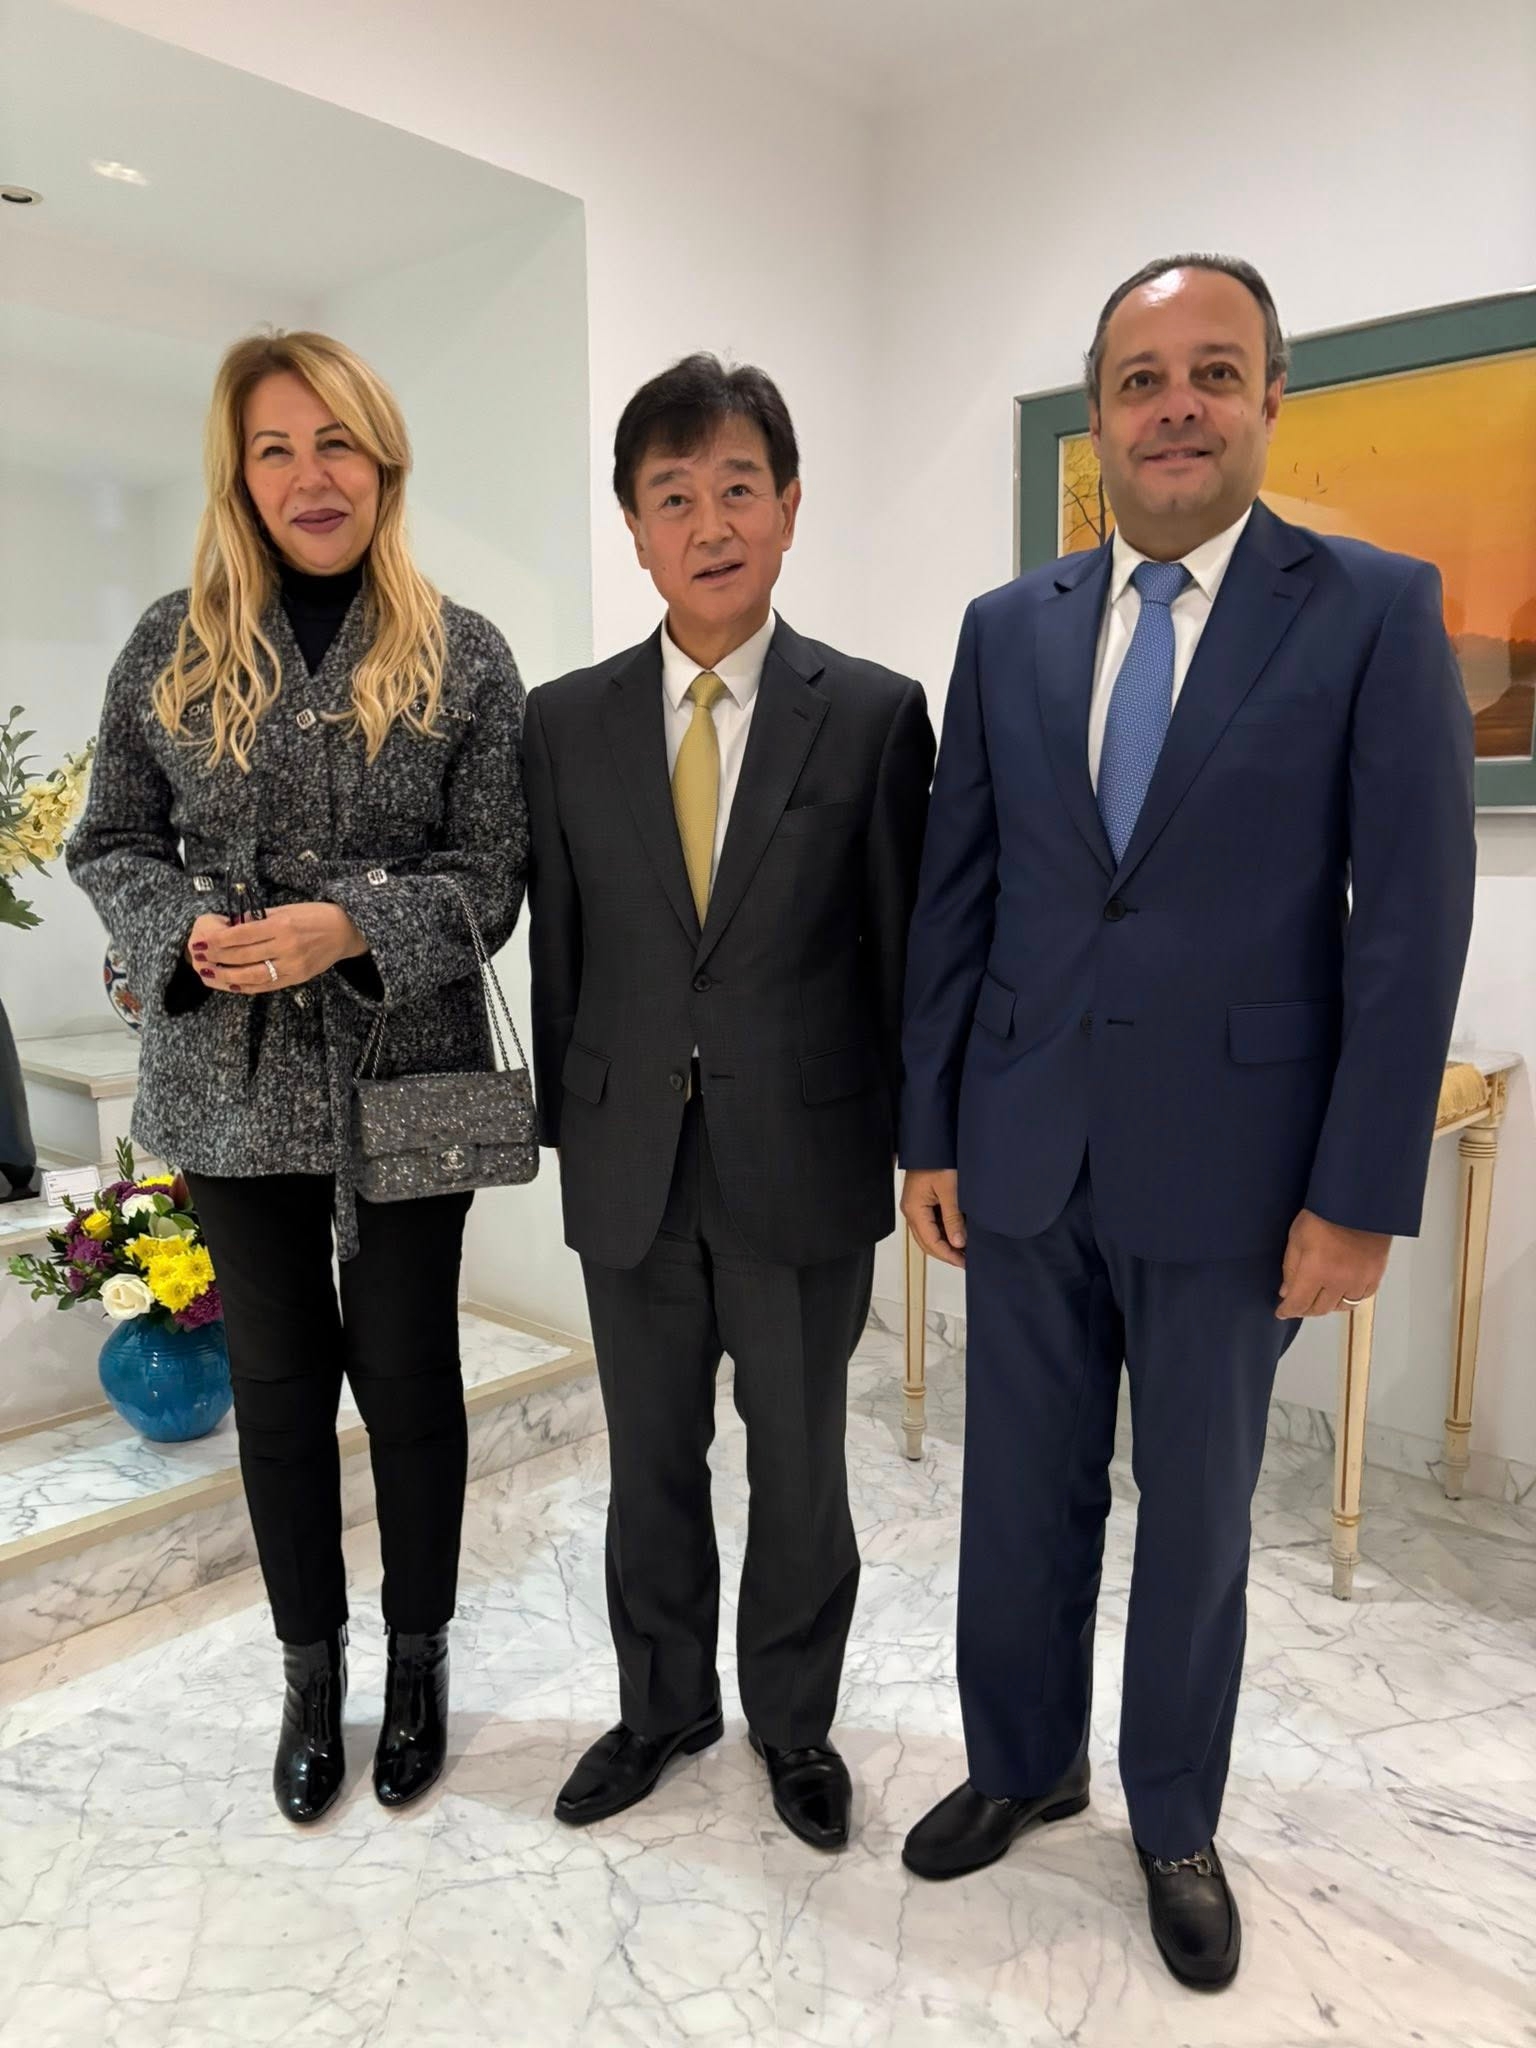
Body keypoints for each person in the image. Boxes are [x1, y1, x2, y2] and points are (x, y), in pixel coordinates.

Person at [898, 256, 1475, 1988]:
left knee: (1201, 1516)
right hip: (1024, 1145)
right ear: (1098, 417)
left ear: (1271, 399)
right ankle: (1021, 1764)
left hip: (1238, 1171)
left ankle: (1172, 1819)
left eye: (1214, 372)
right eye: (1141, 380)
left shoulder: (1370, 608)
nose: (1176, 406)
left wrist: (1360, 1191)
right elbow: (959, 894)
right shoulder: (1009, 626)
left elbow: (1411, 924)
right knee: (1019, 1494)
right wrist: (930, 1130)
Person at [69, 331, 527, 1824]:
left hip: (410, 1072)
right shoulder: (173, 643)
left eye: (336, 443)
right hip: (228, 1074)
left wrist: (356, 923)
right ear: (239, 474)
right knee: (276, 1387)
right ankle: (310, 1674)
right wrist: (179, 933)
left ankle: (420, 1659)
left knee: (410, 1376)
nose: (309, 476)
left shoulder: (464, 653)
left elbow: (495, 873)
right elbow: (110, 840)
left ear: (383, 462)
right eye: (275, 448)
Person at [524, 354, 934, 1849]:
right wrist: (573, 1128)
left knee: (802, 1463)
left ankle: (795, 1722)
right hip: (632, 1160)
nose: (711, 524)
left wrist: (922, 1146)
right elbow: (563, 947)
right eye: (673, 496)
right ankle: (661, 1706)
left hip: (804, 1158)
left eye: (739, 489)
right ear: (635, 529)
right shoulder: (564, 724)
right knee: (648, 1461)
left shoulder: (873, 715)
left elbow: (906, 955)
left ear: (790, 506)